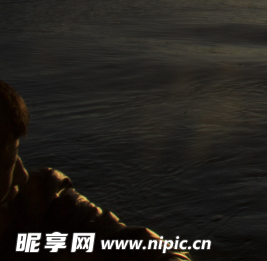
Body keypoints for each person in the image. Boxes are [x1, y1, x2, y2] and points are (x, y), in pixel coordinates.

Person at [0, 80, 191, 260]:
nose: (22, 175)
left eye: (17, 153)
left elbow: (145, 248)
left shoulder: (44, 198)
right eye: (8, 161)